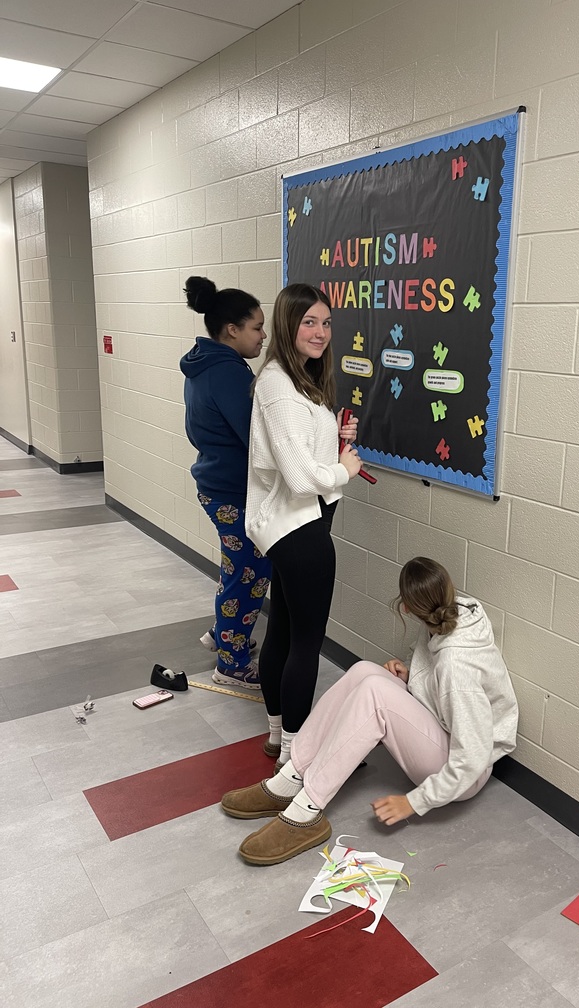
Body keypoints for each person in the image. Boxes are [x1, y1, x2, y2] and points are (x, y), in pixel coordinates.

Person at [220, 556, 519, 866]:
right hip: (446, 735)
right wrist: (410, 674)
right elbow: (434, 673)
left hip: (464, 773)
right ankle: (292, 777)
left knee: (375, 694)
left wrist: (414, 802)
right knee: (365, 671)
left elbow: (471, 756)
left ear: (406, 607)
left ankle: (307, 810)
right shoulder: (443, 615)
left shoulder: (458, 668)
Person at [245, 283, 360, 766]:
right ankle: (295, 756)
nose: (320, 332)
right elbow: (298, 478)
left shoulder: (296, 381)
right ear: (287, 324)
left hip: (295, 528)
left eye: (326, 322)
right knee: (304, 644)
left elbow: (296, 452)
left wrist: (334, 440)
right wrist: (344, 470)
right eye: (308, 321)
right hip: (300, 531)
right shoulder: (278, 386)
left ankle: (277, 737)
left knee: (285, 634)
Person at [180, 276, 272, 689]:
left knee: (238, 569)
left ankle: (223, 634)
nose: (264, 336)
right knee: (249, 573)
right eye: (256, 327)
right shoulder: (230, 375)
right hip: (233, 491)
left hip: (216, 484)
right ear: (232, 330)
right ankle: (231, 665)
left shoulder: (205, 364)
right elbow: (257, 440)